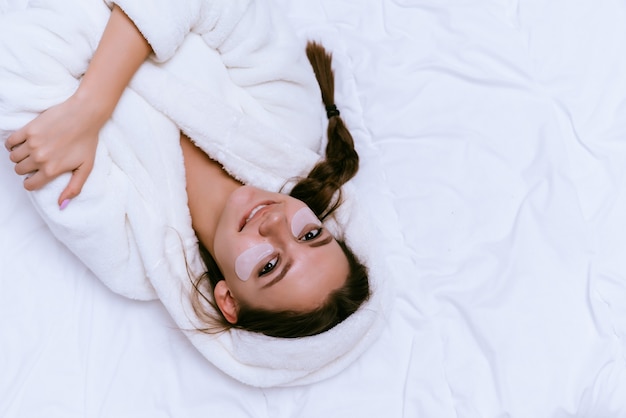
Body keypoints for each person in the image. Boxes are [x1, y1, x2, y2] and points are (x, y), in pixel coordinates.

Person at [4, 3, 369, 338]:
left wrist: (125, 24)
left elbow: (13, 64)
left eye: (270, 265)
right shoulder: (292, 123)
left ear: (228, 300)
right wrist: (90, 105)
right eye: (309, 234)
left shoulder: (128, 253)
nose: (274, 224)